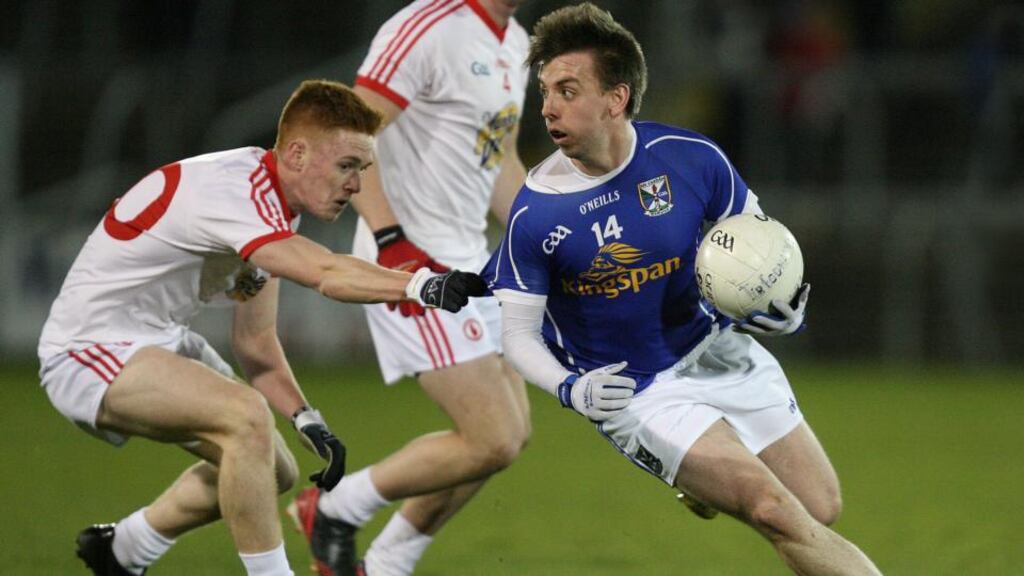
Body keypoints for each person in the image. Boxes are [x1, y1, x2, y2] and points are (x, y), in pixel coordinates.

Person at [482, 4, 883, 575]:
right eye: (544, 90)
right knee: (773, 510)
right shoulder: (537, 212)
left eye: (568, 90)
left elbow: (759, 246)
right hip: (638, 390)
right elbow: (517, 336)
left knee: (819, 506)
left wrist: (780, 307)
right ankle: (706, 467)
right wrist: (572, 389)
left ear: (615, 99)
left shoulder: (690, 158)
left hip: (718, 350)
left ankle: (704, 482)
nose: (547, 107)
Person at [37, 79, 486, 576]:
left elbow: (255, 340)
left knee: (273, 469)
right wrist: (420, 285)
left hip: (155, 341)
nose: (356, 186)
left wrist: (305, 417)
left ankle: (125, 548)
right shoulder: (236, 191)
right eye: (346, 166)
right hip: (89, 347)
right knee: (245, 417)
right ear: (295, 154)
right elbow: (326, 272)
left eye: (362, 169)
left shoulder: (273, 210)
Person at [287, 1, 532, 575]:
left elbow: (501, 163)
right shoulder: (428, 25)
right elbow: (350, 132)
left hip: (471, 259)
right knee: (492, 435)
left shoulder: (516, 42)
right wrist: (391, 238)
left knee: (509, 436)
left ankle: (387, 563)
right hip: (412, 265)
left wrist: (546, 237)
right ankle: (336, 507)